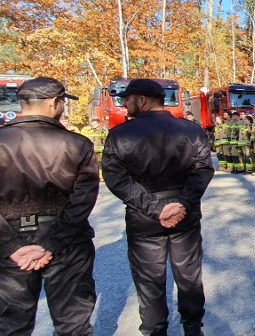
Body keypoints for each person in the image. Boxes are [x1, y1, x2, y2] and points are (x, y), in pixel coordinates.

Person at [102, 79, 214, 336]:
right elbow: (203, 170)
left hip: (145, 218)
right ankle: (193, 328)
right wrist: (182, 204)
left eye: (127, 99)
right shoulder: (190, 129)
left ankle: (155, 331)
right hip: (183, 215)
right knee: (189, 275)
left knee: (149, 280)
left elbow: (116, 178)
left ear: (141, 100)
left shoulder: (121, 134)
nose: (124, 104)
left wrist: (154, 208)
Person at [0, 77, 98, 335]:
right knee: (73, 324)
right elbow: (83, 200)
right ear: (55, 102)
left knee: (10, 325)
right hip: (67, 242)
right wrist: (51, 243)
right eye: (63, 102)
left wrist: (11, 245)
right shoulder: (77, 144)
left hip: (8, 243)